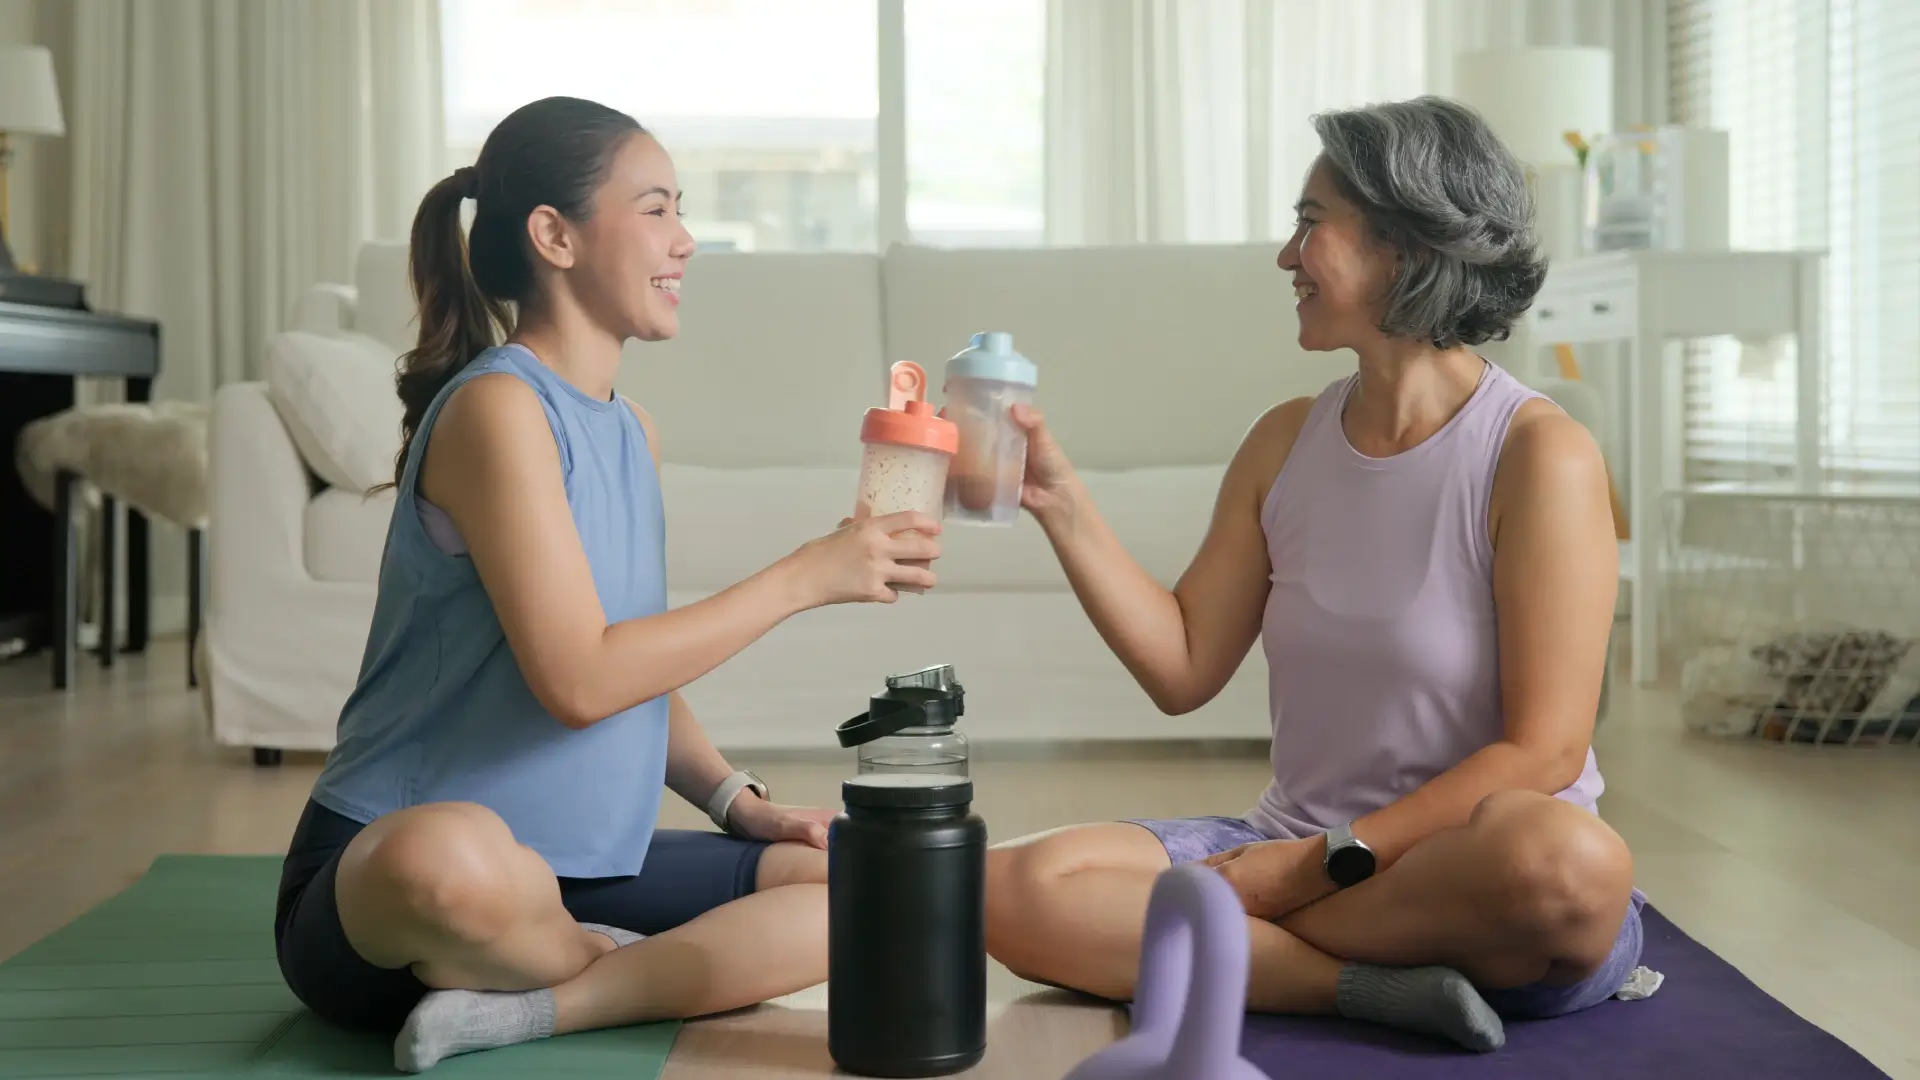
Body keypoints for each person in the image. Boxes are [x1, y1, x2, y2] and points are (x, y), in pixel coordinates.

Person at [272, 95, 943, 1073]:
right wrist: (805, 575)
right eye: (658, 208)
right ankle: (612, 965)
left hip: (579, 876)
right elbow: (580, 680)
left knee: (877, 882)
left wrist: (731, 802)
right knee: (448, 852)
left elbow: (629, 656)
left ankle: (537, 1006)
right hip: (392, 886)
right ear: (556, 235)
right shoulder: (499, 410)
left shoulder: (631, 430)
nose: (687, 241)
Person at [983, 96, 1639, 1054]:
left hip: (1453, 870)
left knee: (1563, 862)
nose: (1286, 257)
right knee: (1013, 892)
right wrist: (1062, 503)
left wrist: (1307, 872)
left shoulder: (1539, 454)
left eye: (1308, 223)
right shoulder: (1284, 441)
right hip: (1295, 842)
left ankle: (1222, 944)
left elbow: (1544, 753)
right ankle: (1360, 987)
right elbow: (1183, 668)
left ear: (1406, 246)